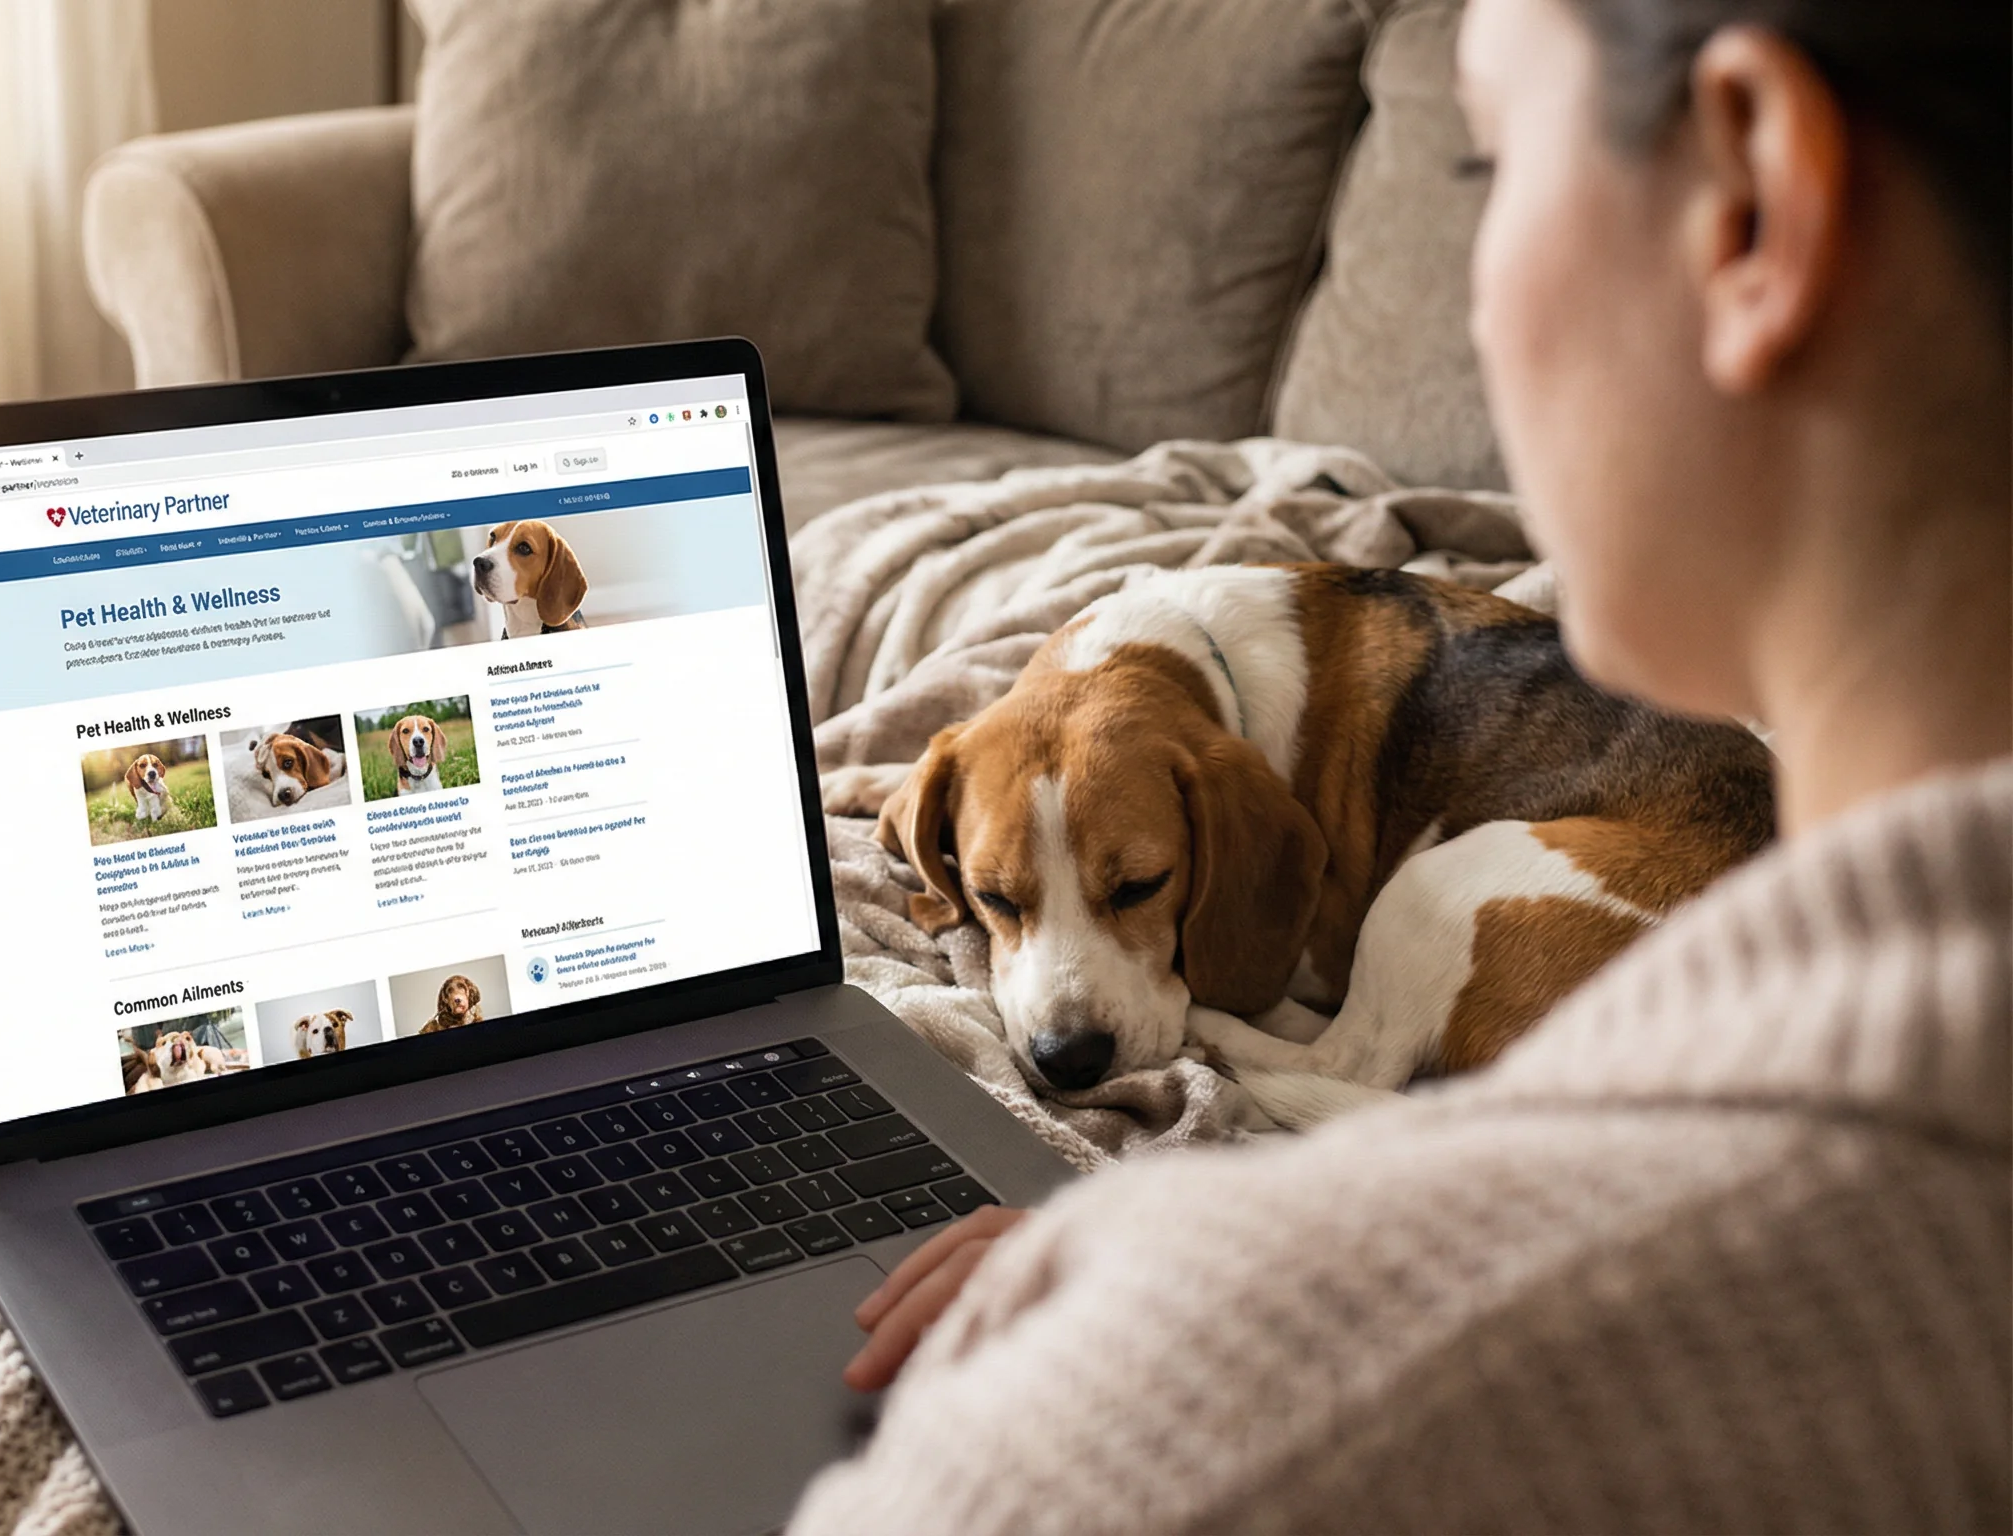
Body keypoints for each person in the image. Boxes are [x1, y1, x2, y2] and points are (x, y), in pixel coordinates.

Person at [790, 0, 2008, 1528]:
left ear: (1754, 208)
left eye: (1486, 167)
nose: (1478, 319)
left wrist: (1151, 1290)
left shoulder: (1151, 1436)